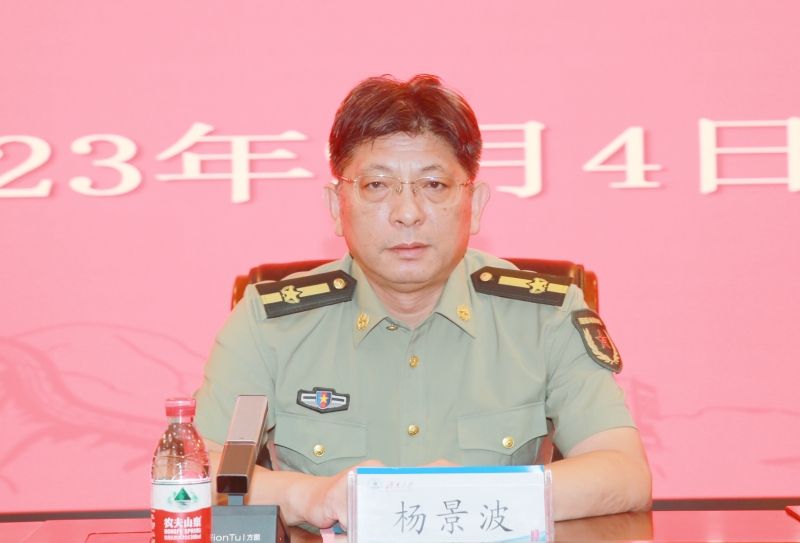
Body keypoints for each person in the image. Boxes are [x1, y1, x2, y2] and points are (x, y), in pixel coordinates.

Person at [194, 74, 651, 529]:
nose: (408, 213)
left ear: (476, 204)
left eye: (433, 185)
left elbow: (623, 472)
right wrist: (312, 497)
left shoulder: (545, 315)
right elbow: (195, 471)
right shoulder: (269, 322)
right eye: (377, 186)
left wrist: (481, 494)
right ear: (336, 207)